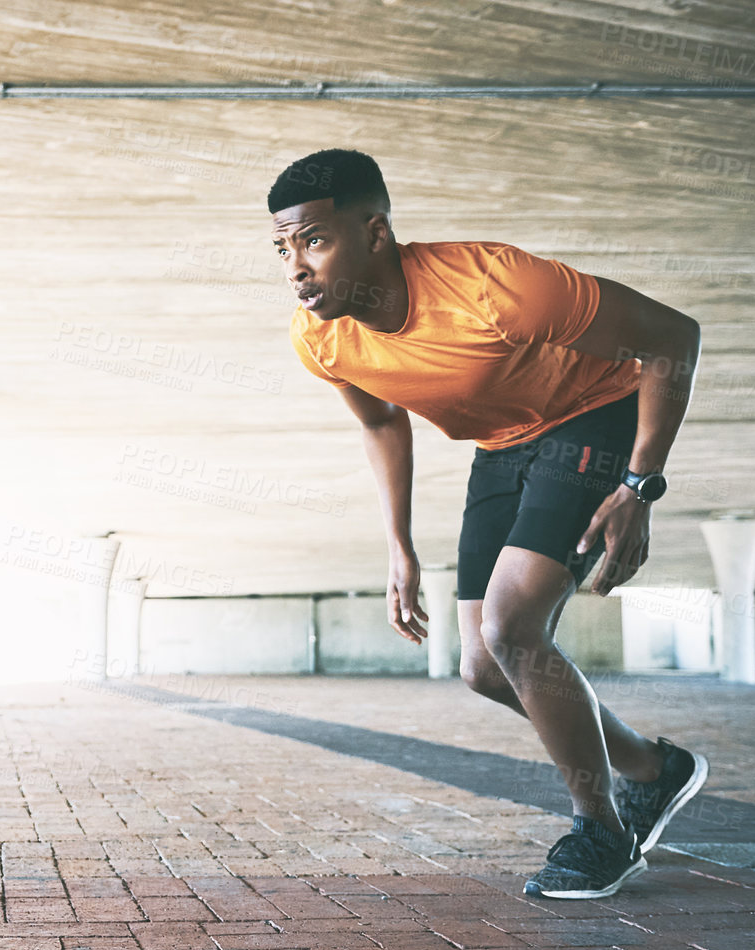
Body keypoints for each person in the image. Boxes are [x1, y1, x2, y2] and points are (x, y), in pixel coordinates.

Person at [270, 148, 708, 899]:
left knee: (512, 628)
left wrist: (640, 485)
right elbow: (381, 423)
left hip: (593, 415)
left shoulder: (496, 286)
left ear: (375, 234)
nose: (295, 267)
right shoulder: (322, 339)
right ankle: (651, 766)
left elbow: (673, 339)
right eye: (282, 247)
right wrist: (399, 546)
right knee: (482, 664)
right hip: (503, 447)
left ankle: (602, 828)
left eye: (313, 239)